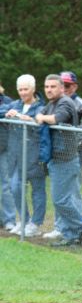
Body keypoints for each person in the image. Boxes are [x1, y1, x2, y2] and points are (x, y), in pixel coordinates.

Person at [35, 74, 82, 247]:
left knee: (60, 200)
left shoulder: (64, 102)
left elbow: (56, 119)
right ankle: (72, 235)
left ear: (61, 88)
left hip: (65, 160)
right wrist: (40, 116)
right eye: (46, 87)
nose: (49, 90)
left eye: (53, 86)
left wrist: (42, 118)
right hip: (57, 159)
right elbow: (39, 113)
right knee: (65, 200)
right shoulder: (52, 103)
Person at [4, 75, 47, 237]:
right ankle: (24, 220)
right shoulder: (15, 104)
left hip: (35, 156)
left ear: (33, 89)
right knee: (15, 187)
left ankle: (35, 223)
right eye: (20, 89)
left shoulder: (42, 107)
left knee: (37, 190)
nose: (22, 93)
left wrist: (28, 119)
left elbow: (42, 127)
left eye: (25, 89)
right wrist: (10, 112)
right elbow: (3, 110)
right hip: (17, 156)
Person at [0, 83, 16, 231]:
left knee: (6, 186)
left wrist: (5, 111)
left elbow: (13, 110)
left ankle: (9, 219)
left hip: (4, 149)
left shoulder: (7, 101)